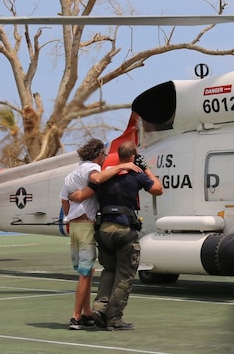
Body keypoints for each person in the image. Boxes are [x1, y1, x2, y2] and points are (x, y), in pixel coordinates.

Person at [78, 141, 162, 331]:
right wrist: (146, 169)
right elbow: (158, 189)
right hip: (124, 231)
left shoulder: (103, 176)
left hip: (104, 231)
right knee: (124, 276)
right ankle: (114, 317)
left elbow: (83, 193)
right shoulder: (136, 176)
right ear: (132, 157)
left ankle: (99, 309)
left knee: (109, 271)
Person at [60, 139, 105, 330]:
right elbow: (96, 179)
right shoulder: (93, 167)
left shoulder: (71, 175)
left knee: (86, 271)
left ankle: (86, 312)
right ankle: (76, 316)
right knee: (85, 274)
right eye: (104, 154)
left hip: (75, 227)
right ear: (98, 154)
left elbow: (64, 199)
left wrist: (70, 215)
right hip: (87, 226)